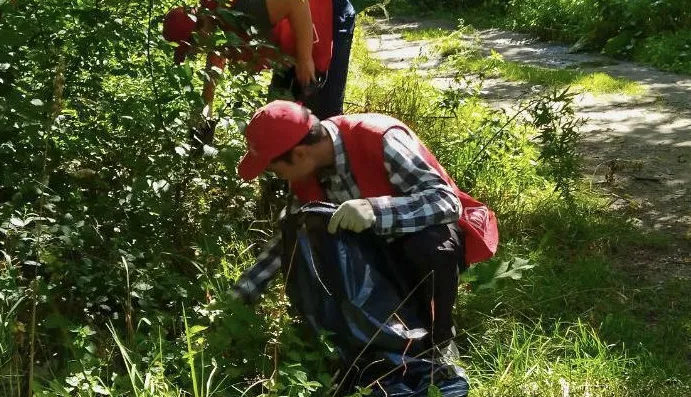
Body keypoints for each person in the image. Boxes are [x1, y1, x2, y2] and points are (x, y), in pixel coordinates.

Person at [230, 100, 499, 361]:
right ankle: (365, 343)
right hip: (375, 251)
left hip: (420, 239)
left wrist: (375, 211)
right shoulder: (306, 175)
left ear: (300, 154)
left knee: (432, 246)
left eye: (276, 170)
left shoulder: (380, 138)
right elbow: (284, 244)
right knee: (311, 250)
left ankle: (439, 342)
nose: (279, 179)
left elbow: (446, 202)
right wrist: (240, 296)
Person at [162, 0, 355, 127]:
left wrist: (305, 59)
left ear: (199, 29)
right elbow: (215, 62)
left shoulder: (241, 8)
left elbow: (296, 2)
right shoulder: (215, 21)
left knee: (323, 115)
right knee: (283, 114)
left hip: (326, 15)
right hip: (291, 37)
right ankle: (284, 183)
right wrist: (205, 113)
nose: (195, 53)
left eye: (192, 47)